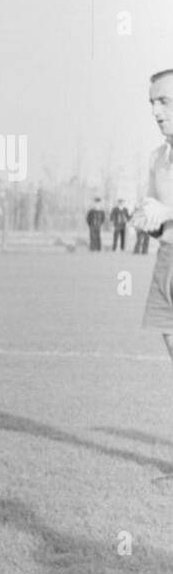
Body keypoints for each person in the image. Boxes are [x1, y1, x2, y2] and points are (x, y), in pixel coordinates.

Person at [131, 70, 173, 387]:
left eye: (164, 102)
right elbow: (155, 213)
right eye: (152, 103)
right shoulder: (157, 157)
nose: (156, 112)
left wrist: (167, 211)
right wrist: (147, 220)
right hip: (167, 259)